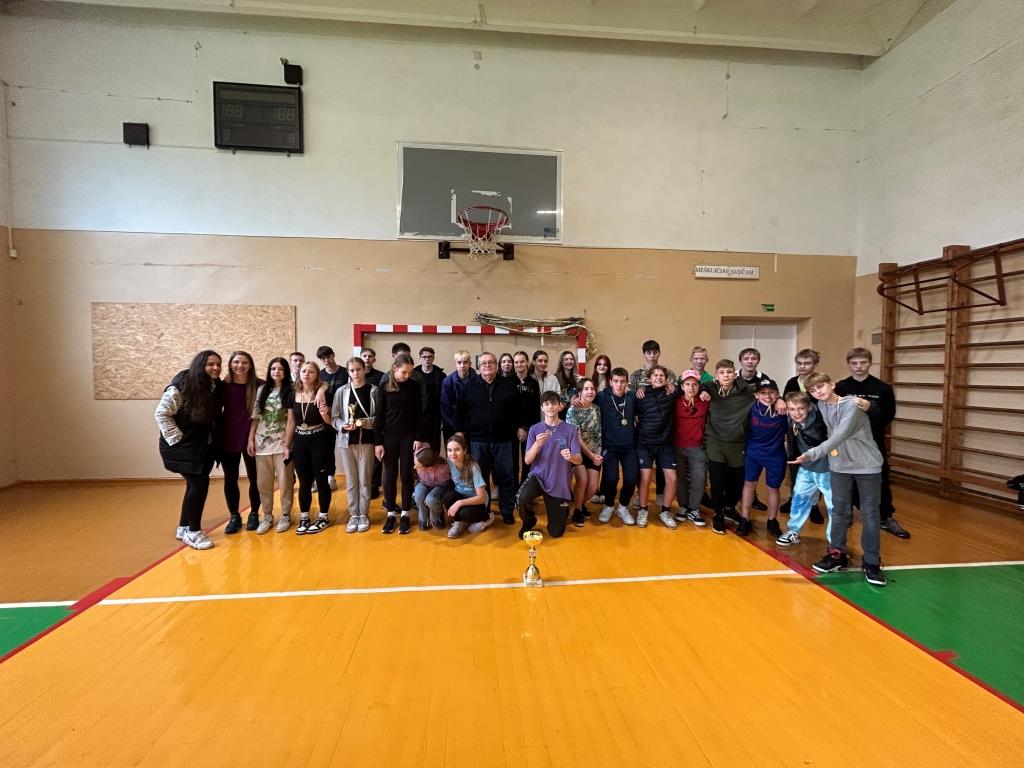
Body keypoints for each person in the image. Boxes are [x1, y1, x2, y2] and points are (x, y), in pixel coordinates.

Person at [791, 372, 887, 586]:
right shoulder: (822, 406)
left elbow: (838, 436)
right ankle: (837, 554)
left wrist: (812, 454)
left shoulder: (852, 405)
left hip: (866, 466)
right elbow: (801, 411)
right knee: (839, 511)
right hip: (839, 466)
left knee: (870, 514)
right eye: (813, 390)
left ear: (832, 384)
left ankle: (872, 562)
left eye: (821, 387)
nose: (818, 392)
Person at [835, 347, 910, 539]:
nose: (859, 366)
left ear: (870, 363)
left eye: (863, 362)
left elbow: (888, 416)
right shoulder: (841, 387)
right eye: (854, 363)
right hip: (847, 443)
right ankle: (846, 513)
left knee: (880, 478)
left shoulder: (882, 389)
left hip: (872, 442)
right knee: (846, 478)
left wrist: (869, 412)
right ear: (849, 364)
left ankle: (885, 516)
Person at [155, 350, 222, 550]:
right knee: (199, 484)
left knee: (194, 485)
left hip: (200, 446)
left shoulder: (212, 386)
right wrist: (177, 440)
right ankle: (193, 532)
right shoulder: (181, 386)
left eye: (218, 364)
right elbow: (161, 414)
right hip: (183, 447)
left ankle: (183, 527)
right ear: (200, 365)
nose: (216, 368)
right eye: (211, 364)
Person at [455, 351, 525, 525]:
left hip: (504, 440)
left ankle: (507, 511)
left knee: (506, 476)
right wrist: (460, 432)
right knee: (481, 479)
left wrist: (522, 427)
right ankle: (483, 510)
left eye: (491, 363)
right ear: (478, 367)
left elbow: (519, 409)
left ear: (496, 365)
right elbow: (460, 412)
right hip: (478, 441)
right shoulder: (469, 386)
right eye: (484, 363)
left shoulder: (509, 385)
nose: (487, 366)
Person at [517, 391, 582, 539]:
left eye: (553, 403)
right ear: (542, 408)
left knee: (556, 533)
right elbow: (527, 461)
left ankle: (563, 508)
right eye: (546, 404)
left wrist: (571, 457)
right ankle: (528, 521)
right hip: (538, 477)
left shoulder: (570, 429)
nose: (550, 406)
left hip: (559, 482)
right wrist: (536, 445)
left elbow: (579, 459)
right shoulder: (535, 429)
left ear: (559, 406)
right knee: (522, 498)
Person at [374, 352, 426, 535]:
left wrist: (418, 437)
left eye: (410, 372)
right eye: (404, 372)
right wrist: (378, 443)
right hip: (389, 437)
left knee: (406, 474)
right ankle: (390, 513)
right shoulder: (384, 388)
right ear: (395, 368)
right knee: (389, 475)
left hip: (409, 437)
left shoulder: (413, 386)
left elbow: (419, 414)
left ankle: (405, 513)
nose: (407, 376)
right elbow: (379, 416)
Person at [703, 359, 755, 535]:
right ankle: (718, 514)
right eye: (722, 373)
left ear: (735, 374)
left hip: (737, 442)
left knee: (738, 480)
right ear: (716, 376)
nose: (726, 376)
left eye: (729, 372)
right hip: (715, 441)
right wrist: (703, 390)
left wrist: (778, 400)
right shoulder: (709, 388)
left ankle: (730, 507)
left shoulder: (747, 391)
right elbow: (696, 386)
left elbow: (767, 390)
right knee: (717, 479)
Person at [776, 391, 834, 547]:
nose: (796, 413)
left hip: (827, 469)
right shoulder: (790, 419)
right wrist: (779, 400)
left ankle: (835, 542)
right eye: (792, 409)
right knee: (799, 499)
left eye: (801, 408)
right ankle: (793, 531)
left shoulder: (821, 419)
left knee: (834, 506)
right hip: (806, 468)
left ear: (809, 407)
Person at [284, 361, 334, 535]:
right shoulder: (292, 394)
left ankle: (323, 516)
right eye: (304, 371)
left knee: (321, 480)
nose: (306, 374)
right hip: (300, 441)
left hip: (319, 440)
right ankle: (304, 516)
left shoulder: (324, 393)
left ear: (317, 375)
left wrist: (324, 413)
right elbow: (291, 422)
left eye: (311, 371)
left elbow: (330, 422)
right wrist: (286, 445)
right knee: (304, 482)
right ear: (299, 374)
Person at [247, 357, 295, 534]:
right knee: (263, 483)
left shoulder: (291, 389)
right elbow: (256, 417)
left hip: (282, 443)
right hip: (262, 443)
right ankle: (267, 515)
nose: (276, 372)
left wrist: (288, 444)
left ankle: (285, 514)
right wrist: (251, 439)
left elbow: (291, 420)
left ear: (286, 371)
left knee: (285, 481)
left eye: (280, 369)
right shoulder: (262, 389)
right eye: (273, 368)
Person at [331, 356, 377, 534]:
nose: (355, 373)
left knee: (365, 480)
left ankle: (364, 514)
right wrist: (343, 425)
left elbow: (379, 418)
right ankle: (353, 514)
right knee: (351, 480)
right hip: (346, 442)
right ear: (348, 372)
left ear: (364, 369)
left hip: (366, 441)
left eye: (358, 369)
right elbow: (334, 417)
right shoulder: (341, 392)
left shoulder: (373, 391)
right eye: (352, 370)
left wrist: (365, 423)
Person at [220, 351, 263, 534]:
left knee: (255, 477)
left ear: (250, 365)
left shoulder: (260, 385)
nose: (240, 366)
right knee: (230, 478)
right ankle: (234, 516)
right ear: (230, 364)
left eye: (244, 362)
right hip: (228, 436)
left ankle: (254, 513)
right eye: (236, 362)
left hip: (252, 437)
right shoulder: (223, 385)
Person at [629, 340, 676, 509]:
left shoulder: (669, 373)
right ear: (644, 354)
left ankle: (661, 494)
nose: (652, 355)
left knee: (664, 466)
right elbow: (632, 398)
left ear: (659, 353)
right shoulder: (636, 375)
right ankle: (640, 496)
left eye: (655, 352)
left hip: (664, 429)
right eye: (649, 352)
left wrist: (670, 386)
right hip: (643, 427)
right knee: (644, 470)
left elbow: (674, 391)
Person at [738, 380, 787, 538]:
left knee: (773, 488)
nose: (768, 396)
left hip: (775, 454)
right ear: (756, 395)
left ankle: (772, 520)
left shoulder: (783, 409)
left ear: (777, 393)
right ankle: (744, 518)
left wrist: (782, 400)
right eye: (763, 393)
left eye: (772, 392)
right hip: (753, 452)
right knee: (749, 484)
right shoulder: (751, 407)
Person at [782, 348, 825, 524]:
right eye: (799, 363)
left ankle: (814, 505)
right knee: (795, 467)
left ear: (815, 364)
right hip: (795, 433)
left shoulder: (819, 382)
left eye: (807, 363)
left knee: (816, 468)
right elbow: (785, 402)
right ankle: (794, 497)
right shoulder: (792, 382)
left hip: (815, 433)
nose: (802, 366)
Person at [634, 366, 679, 529]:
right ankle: (643, 509)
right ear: (649, 378)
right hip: (645, 443)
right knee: (645, 478)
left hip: (665, 444)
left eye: (662, 376)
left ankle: (665, 511)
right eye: (655, 375)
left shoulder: (672, 393)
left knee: (672, 479)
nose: (658, 378)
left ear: (667, 379)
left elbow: (691, 387)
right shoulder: (641, 395)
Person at [595, 367, 638, 526]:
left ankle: (623, 507)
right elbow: (585, 396)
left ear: (627, 382)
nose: (619, 385)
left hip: (629, 446)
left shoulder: (632, 397)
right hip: (610, 446)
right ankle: (608, 505)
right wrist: (574, 398)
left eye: (622, 381)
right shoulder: (602, 396)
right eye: (616, 381)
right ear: (610, 382)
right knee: (611, 478)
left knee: (631, 478)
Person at [672, 370, 709, 527]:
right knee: (680, 478)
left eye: (694, 384)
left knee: (698, 478)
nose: (691, 387)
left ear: (699, 386)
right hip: (678, 446)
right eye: (687, 384)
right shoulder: (675, 401)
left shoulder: (705, 400)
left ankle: (694, 509)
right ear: (682, 386)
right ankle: (683, 506)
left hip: (697, 447)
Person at [565, 378, 603, 527]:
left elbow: (598, 433)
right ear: (579, 393)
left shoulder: (596, 409)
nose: (590, 392)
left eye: (592, 389)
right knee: (582, 480)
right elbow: (576, 438)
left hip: (594, 452)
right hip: (577, 453)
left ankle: (579, 504)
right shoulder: (572, 411)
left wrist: (598, 453)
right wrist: (591, 456)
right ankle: (577, 510)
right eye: (586, 389)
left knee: (592, 488)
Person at [443, 435, 493, 539]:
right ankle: (458, 523)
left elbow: (481, 498)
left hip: (478, 502)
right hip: (461, 496)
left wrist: (459, 503)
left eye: (457, 450)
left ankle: (487, 518)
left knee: (465, 514)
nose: (452, 453)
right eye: (449, 450)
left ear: (464, 451)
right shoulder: (450, 462)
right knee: (447, 497)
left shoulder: (473, 467)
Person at [316, 345, 348, 492]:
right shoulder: (320, 375)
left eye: (328, 357)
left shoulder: (345, 372)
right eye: (323, 359)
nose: (326, 360)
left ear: (333, 355)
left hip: (343, 416)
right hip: (326, 417)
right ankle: (330, 477)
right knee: (327, 448)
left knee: (346, 447)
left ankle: (352, 478)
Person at [511, 350, 541, 483]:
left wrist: (527, 428)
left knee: (527, 459)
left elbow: (535, 408)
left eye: (522, 361)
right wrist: (517, 427)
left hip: (529, 427)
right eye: (516, 362)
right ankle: (513, 488)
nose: (519, 364)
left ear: (527, 363)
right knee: (512, 459)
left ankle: (524, 488)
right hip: (512, 427)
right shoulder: (508, 382)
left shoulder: (533, 383)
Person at [412, 346, 446, 451]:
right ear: (420, 358)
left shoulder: (441, 375)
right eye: (424, 357)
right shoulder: (413, 375)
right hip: (418, 415)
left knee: (434, 446)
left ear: (433, 358)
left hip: (435, 415)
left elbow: (443, 397)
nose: (427, 359)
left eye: (430, 357)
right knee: (418, 447)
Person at [412, 445, 451, 531]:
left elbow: (447, 485)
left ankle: (436, 518)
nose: (415, 467)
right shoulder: (418, 455)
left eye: (418, 466)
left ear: (428, 468)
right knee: (418, 494)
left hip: (440, 485)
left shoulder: (443, 471)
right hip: (423, 483)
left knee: (431, 499)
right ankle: (423, 519)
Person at [440, 350, 475, 443]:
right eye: (459, 362)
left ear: (470, 364)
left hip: (473, 427)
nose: (462, 366)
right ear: (455, 364)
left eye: (465, 362)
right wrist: (457, 428)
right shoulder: (447, 382)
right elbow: (445, 408)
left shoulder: (478, 380)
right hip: (452, 426)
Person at [555, 350, 581, 416]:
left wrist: (583, 382)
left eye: (571, 359)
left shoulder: (578, 378)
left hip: (574, 414)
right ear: (561, 362)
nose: (569, 361)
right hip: (559, 413)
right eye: (566, 359)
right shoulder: (555, 378)